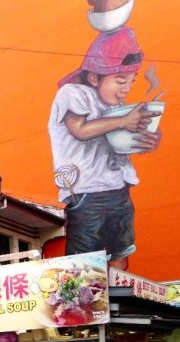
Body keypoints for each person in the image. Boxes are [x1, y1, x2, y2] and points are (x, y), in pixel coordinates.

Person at [48, 26, 161, 270]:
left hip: (119, 188)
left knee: (121, 249)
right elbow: (79, 128)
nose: (126, 88)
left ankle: (116, 300)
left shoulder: (115, 106)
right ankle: (90, 304)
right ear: (93, 77)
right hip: (87, 192)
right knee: (85, 260)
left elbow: (120, 142)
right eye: (120, 80)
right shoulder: (73, 93)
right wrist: (123, 122)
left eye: (131, 80)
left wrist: (149, 139)